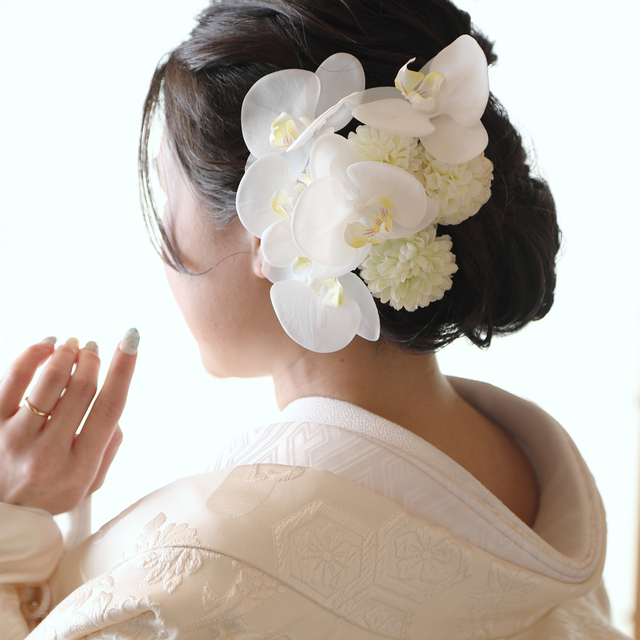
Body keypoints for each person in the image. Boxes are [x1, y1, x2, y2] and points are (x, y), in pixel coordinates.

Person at [0, 0, 631, 637]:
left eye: (168, 192)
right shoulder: (540, 494)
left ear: (272, 224)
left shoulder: (186, 586)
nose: (164, 234)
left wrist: (14, 524)